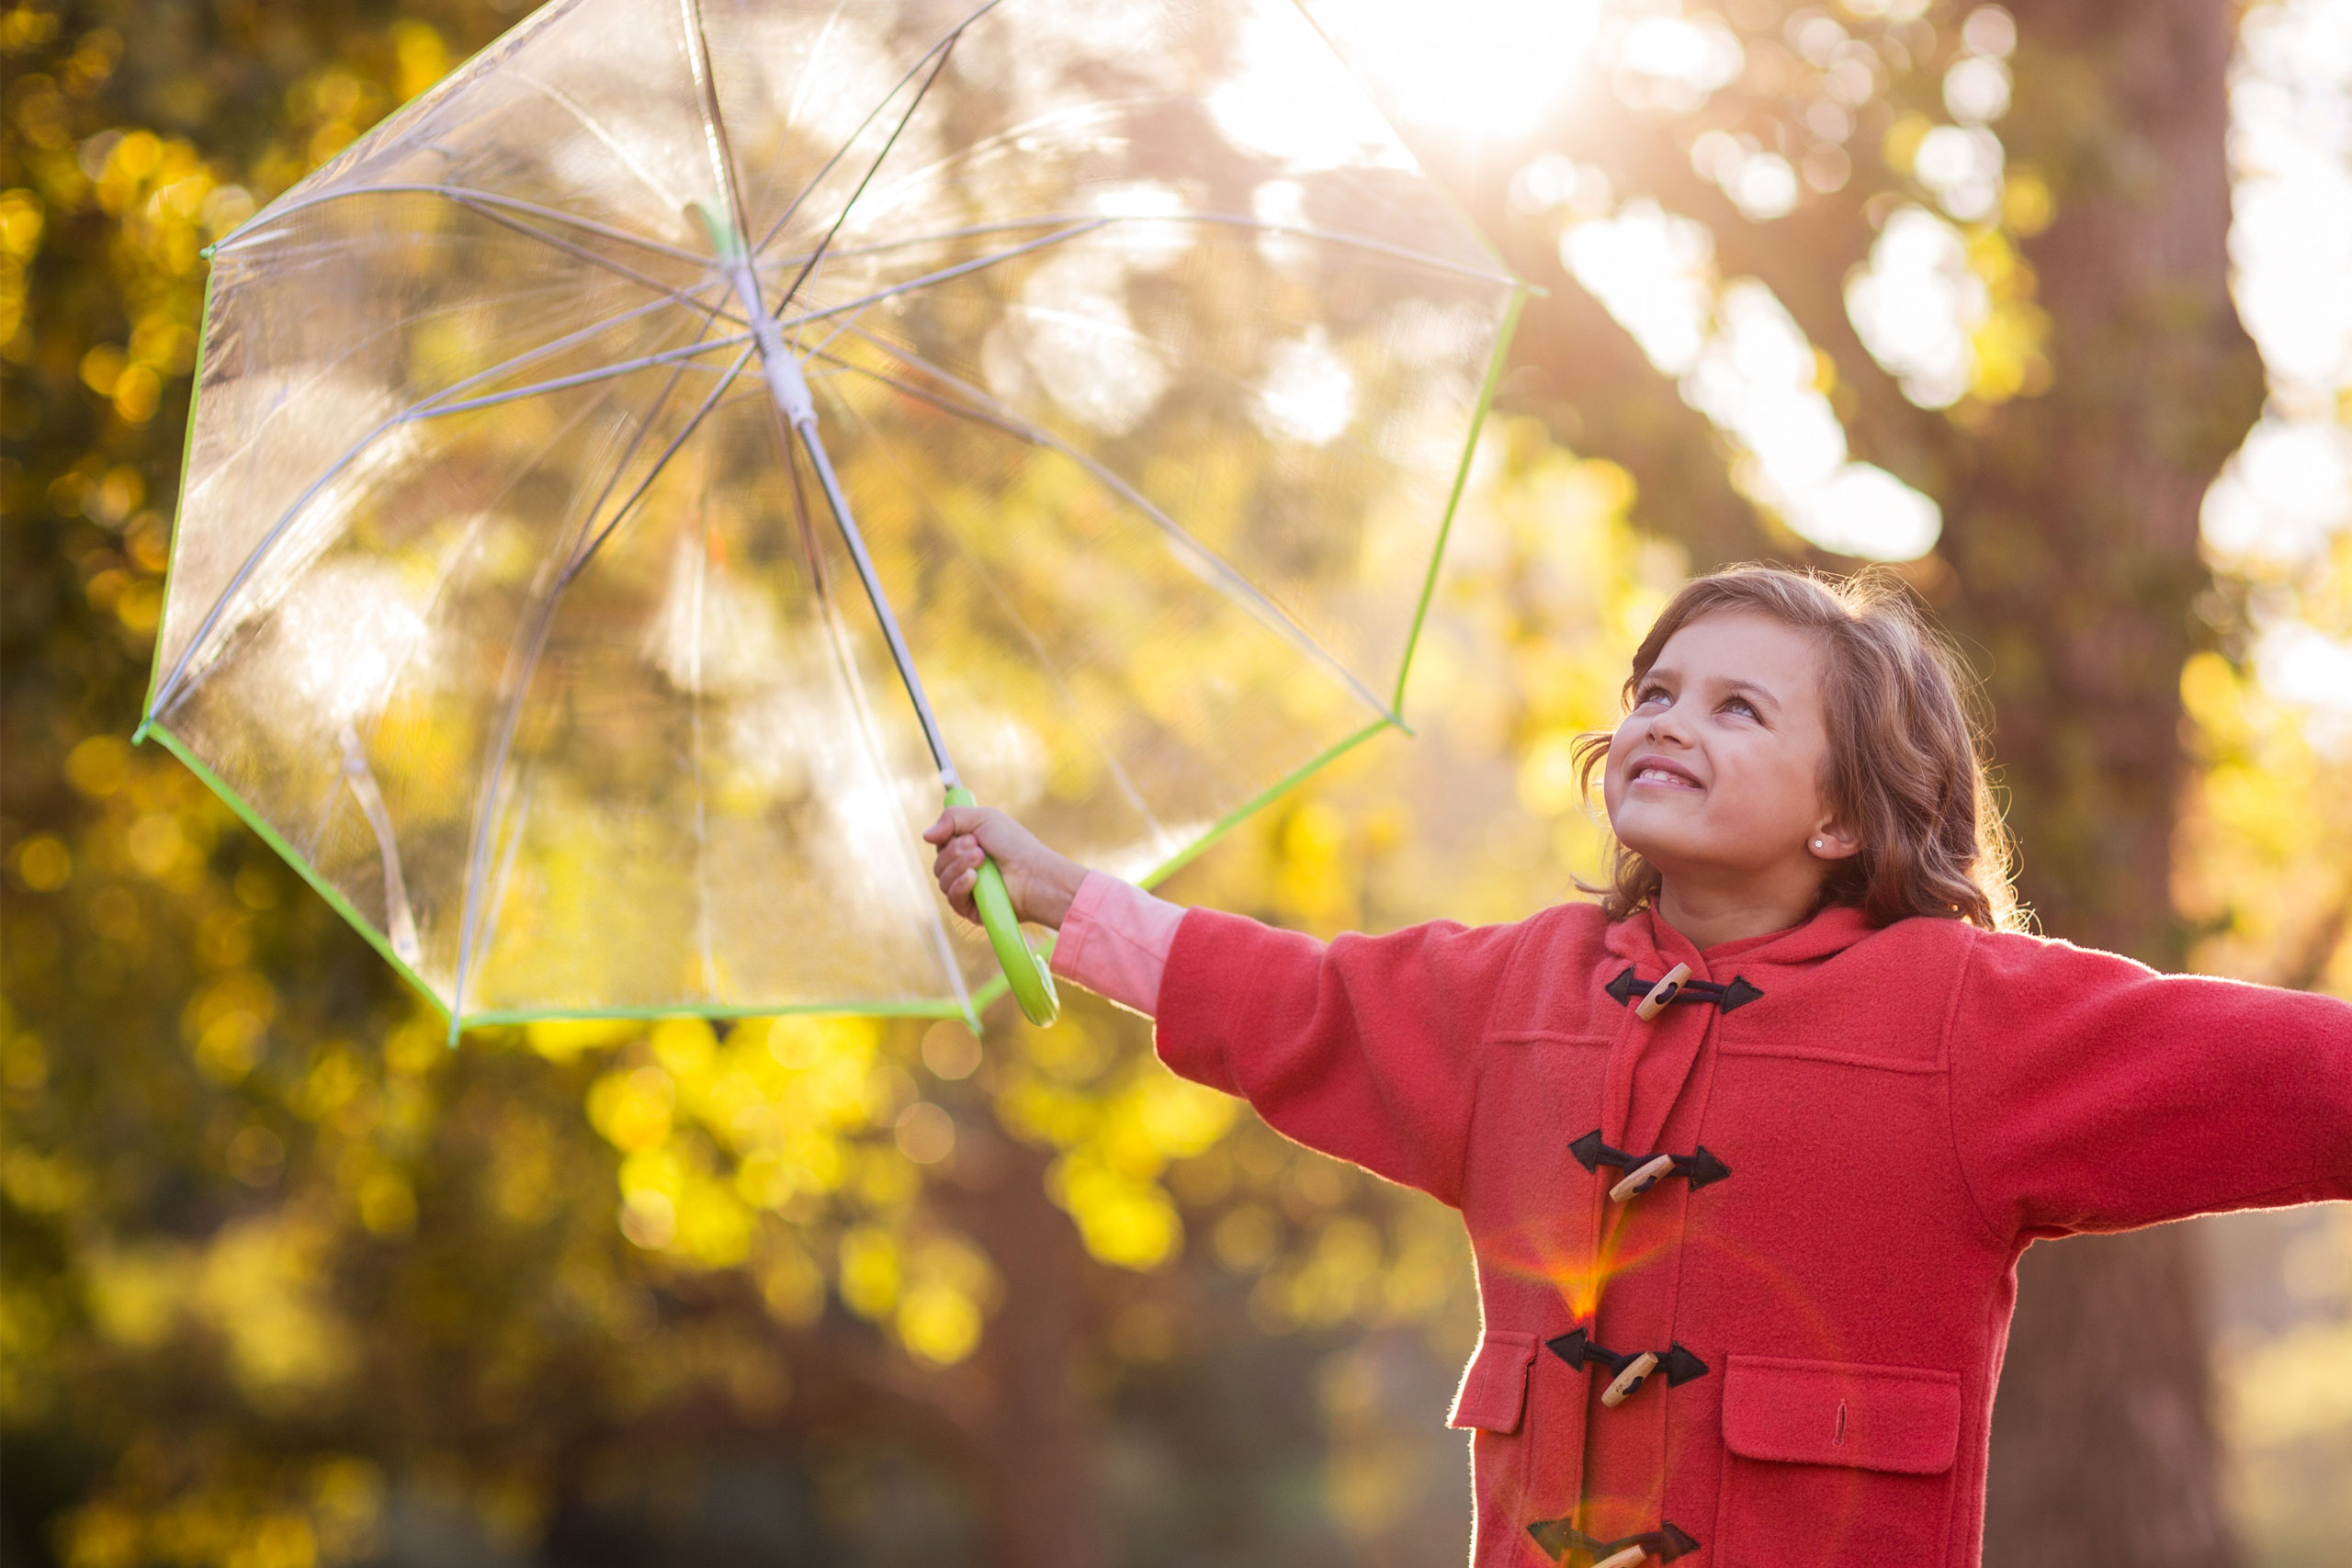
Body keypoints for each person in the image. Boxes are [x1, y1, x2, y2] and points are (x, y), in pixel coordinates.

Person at [922, 565, 2352, 1568]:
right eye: (1658, 689)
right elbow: (1296, 1000)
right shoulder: (1513, 993)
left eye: (1740, 708)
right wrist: (1065, 898)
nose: (1668, 717)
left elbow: (2296, 1077)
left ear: (1850, 815)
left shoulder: (1973, 1022)